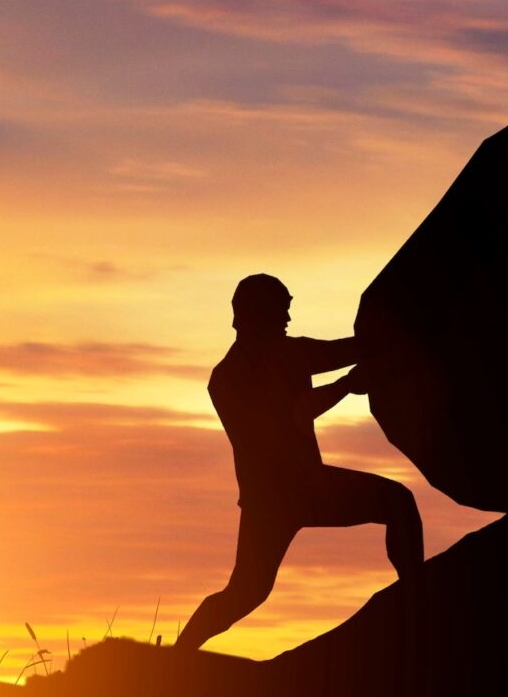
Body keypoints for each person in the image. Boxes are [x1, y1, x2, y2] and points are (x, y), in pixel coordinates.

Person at [175, 273, 423, 651]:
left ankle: (416, 602)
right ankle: (178, 655)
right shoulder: (226, 380)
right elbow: (292, 414)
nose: (288, 320)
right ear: (255, 315)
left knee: (398, 503)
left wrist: (401, 334)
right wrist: (347, 385)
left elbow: (351, 349)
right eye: (281, 312)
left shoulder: (291, 353)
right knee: (247, 592)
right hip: (274, 501)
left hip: (305, 488)